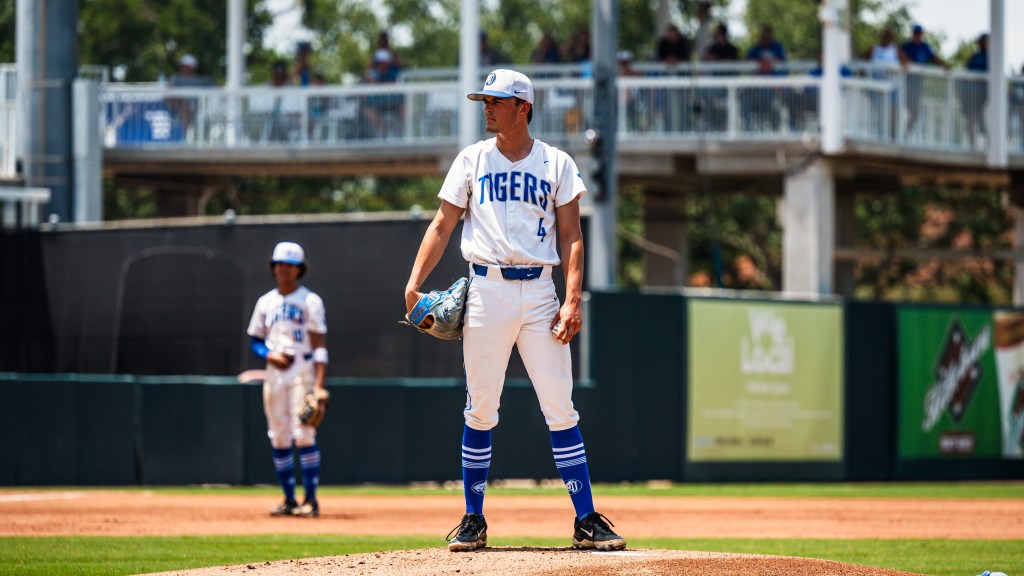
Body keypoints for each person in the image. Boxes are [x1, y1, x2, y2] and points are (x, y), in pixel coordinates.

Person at [403, 69, 627, 553]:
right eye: (485, 100)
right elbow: (443, 225)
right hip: (485, 291)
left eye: (497, 101)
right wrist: (414, 282)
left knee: (560, 407)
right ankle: (472, 518)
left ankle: (586, 519)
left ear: (523, 107)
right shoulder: (471, 160)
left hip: (541, 292)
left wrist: (571, 300)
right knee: (480, 409)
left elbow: (571, 236)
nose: (486, 107)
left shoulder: (557, 163)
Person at [247, 242, 328, 518]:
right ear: (274, 267)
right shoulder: (265, 302)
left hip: (302, 369)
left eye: (290, 264)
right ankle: (289, 499)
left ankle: (311, 500)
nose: (285, 269)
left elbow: (319, 345)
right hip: (275, 374)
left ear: (299, 269)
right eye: (280, 263)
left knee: (304, 433)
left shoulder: (310, 301)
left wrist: (318, 385)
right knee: (279, 435)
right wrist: (269, 355)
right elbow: (255, 341)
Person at [901, 24, 947, 136]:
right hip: (905, 82)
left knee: (915, 113)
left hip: (917, 84)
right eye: (916, 33)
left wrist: (944, 65)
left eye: (919, 34)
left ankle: (905, 134)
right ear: (912, 34)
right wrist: (905, 61)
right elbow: (898, 54)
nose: (917, 36)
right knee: (906, 109)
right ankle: (900, 135)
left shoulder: (925, 47)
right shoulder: (906, 46)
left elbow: (933, 58)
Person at [166, 54, 215, 141]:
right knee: (183, 106)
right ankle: (186, 138)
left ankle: (189, 138)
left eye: (185, 66)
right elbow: (168, 92)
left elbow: (220, 90)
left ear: (192, 67)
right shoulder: (176, 79)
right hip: (180, 109)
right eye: (182, 66)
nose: (182, 69)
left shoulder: (204, 80)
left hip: (203, 110)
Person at [960, 33, 989, 147]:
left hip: (984, 97)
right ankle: (972, 145)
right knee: (970, 122)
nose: (981, 44)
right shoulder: (975, 57)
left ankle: (988, 145)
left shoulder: (994, 58)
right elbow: (966, 74)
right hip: (971, 96)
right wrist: (962, 92)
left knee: (980, 120)